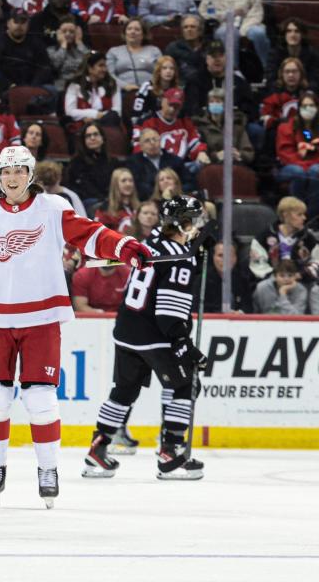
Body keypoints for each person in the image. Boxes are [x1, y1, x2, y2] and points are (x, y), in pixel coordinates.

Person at [0, 145, 150, 508]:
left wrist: (125, 245)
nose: (11, 178)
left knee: (40, 398)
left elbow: (91, 235)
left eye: (18, 171)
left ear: (30, 175)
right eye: (5, 171)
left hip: (41, 317)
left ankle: (48, 469)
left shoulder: (53, 209)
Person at [83, 196, 208, 481]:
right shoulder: (180, 257)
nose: (198, 226)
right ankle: (171, 453)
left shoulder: (149, 244)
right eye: (195, 220)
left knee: (124, 390)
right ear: (183, 222)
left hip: (127, 331)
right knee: (186, 384)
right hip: (154, 334)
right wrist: (184, 346)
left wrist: (193, 257)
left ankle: (97, 450)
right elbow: (168, 314)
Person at [198, 0, 269, 71]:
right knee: (229, 32)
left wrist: (242, 31)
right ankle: (232, 70)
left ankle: (266, 68)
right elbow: (204, 11)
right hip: (223, 24)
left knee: (259, 33)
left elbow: (257, 13)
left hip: (248, 23)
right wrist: (227, 15)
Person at [133, 88, 209, 172]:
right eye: (170, 105)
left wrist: (201, 152)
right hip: (156, 168)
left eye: (176, 107)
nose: (172, 110)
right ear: (162, 101)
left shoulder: (185, 121)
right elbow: (138, 149)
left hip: (183, 167)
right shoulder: (146, 122)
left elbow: (194, 143)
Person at [249, 196, 319, 281]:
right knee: (261, 288)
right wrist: (278, 278)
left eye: (304, 214)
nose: (304, 218)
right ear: (285, 215)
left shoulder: (308, 238)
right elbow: (258, 264)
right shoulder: (264, 237)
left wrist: (300, 275)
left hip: (301, 282)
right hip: (271, 282)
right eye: (299, 214)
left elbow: (317, 261)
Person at [276, 91, 319, 217]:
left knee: (316, 171)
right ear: (298, 108)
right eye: (304, 106)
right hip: (291, 165)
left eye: (311, 105)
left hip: (315, 165)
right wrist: (304, 162)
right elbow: (284, 153)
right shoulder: (285, 127)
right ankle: (295, 215)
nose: (308, 109)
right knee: (298, 172)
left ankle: (311, 217)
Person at [63, 51, 121, 134]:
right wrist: (94, 114)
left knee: (113, 117)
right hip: (83, 127)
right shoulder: (75, 86)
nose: (105, 69)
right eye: (101, 66)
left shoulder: (112, 84)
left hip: (108, 125)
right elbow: (70, 111)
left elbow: (117, 111)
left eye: (105, 66)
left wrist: (99, 116)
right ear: (90, 68)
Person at [0, 9, 54, 89]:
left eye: (23, 22)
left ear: (28, 24)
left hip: (32, 86)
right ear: (8, 23)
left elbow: (44, 67)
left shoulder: (36, 42)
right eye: (16, 22)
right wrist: (10, 85)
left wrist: (33, 86)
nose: (19, 25)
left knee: (52, 90)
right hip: (7, 87)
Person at [195, 87, 255, 166]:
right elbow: (200, 153)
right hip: (212, 166)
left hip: (235, 165)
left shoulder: (237, 125)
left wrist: (239, 154)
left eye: (218, 101)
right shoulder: (201, 126)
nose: (214, 104)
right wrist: (216, 156)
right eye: (211, 102)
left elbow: (249, 153)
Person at [126, 128, 190, 201]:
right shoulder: (133, 162)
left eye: (155, 139)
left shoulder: (174, 159)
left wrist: (174, 191)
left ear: (160, 141)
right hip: (148, 201)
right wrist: (159, 193)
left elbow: (189, 182)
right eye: (147, 141)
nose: (152, 143)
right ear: (141, 145)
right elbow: (137, 185)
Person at [65, 121, 117, 206]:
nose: (92, 138)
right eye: (88, 136)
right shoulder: (77, 162)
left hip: (111, 201)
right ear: (83, 141)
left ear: (103, 138)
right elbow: (84, 188)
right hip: (88, 202)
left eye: (96, 134)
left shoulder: (113, 161)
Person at [106, 18, 162, 92]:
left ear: (143, 34)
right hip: (122, 92)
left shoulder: (154, 50)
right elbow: (110, 75)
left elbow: (161, 72)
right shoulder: (113, 51)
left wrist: (151, 86)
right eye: (129, 29)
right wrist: (125, 86)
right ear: (124, 33)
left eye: (137, 29)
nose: (133, 32)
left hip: (150, 91)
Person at [260, 57, 310, 135]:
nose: (291, 75)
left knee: (309, 136)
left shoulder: (309, 96)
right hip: (279, 133)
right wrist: (279, 122)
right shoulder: (273, 96)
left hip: (304, 133)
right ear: (282, 74)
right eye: (287, 72)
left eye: (294, 71)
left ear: (301, 74)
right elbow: (265, 119)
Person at [266, 18, 319, 89]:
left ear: (302, 35)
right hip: (280, 92)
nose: (293, 35)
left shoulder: (312, 53)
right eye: (289, 31)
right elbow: (271, 79)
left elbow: (315, 79)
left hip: (305, 92)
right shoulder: (275, 53)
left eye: (297, 31)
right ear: (284, 34)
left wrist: (308, 94)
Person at [203, 240, 254, 314]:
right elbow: (197, 309)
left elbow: (248, 307)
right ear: (213, 257)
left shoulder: (242, 280)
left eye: (229, 255)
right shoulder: (202, 281)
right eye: (220, 255)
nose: (224, 260)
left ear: (235, 258)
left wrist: (240, 312)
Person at [131, 56, 179, 127]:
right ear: (159, 71)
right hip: (148, 124)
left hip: (169, 124)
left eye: (171, 68)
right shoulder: (147, 86)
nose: (168, 71)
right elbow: (136, 112)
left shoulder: (177, 90)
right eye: (164, 68)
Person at [47, 17, 89, 90]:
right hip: (61, 87)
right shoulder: (51, 50)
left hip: (82, 86)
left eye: (71, 31)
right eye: (64, 31)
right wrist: (63, 44)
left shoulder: (81, 48)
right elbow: (55, 66)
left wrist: (79, 42)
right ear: (58, 33)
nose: (68, 34)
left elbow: (90, 64)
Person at [164, 14, 206, 84]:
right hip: (181, 86)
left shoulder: (207, 47)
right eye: (185, 27)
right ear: (182, 31)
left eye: (193, 27)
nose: (189, 30)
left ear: (200, 31)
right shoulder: (173, 48)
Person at [94, 167, 139, 234]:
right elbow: (99, 234)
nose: (128, 184)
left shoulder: (140, 207)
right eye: (123, 181)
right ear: (115, 184)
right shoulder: (105, 209)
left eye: (130, 181)